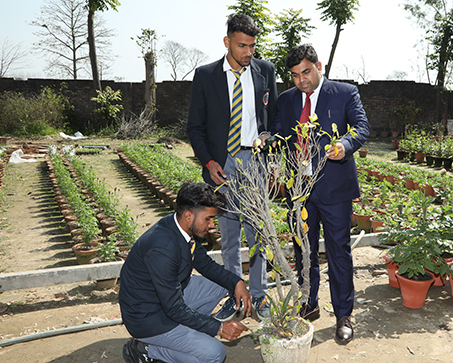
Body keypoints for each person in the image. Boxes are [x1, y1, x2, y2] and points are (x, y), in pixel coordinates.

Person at [260, 44, 370, 344]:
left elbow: (361, 127)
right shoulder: (287, 99)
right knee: (303, 251)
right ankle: (308, 303)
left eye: (306, 72)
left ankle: (344, 314)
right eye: (295, 75)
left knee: (338, 252)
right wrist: (268, 138)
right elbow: (281, 131)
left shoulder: (345, 93)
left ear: (318, 66)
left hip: (335, 189)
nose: (301, 81)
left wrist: (345, 145)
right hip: (299, 190)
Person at [186, 13, 278, 321]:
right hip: (222, 165)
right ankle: (235, 295)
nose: (249, 53)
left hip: (255, 162)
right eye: (242, 46)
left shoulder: (265, 70)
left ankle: (260, 296)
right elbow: (195, 128)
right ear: (227, 42)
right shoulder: (206, 76)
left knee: (258, 234)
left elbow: (274, 119)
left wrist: (268, 135)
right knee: (229, 236)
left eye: (252, 45)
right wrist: (209, 162)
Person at [119, 182, 251, 363]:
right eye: (208, 219)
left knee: (221, 283)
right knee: (215, 353)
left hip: (165, 301)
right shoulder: (162, 248)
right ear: (189, 215)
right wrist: (218, 328)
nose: (212, 225)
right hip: (148, 317)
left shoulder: (180, 227)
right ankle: (146, 348)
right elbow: (174, 308)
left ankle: (187, 335)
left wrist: (237, 282)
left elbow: (205, 265)